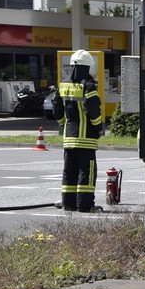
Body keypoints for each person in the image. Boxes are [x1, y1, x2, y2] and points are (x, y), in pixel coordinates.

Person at [53, 50, 105, 212]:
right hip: (86, 140)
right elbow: (94, 111)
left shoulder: (63, 85)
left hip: (69, 138)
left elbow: (56, 109)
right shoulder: (88, 87)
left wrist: (64, 124)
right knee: (86, 172)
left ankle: (68, 204)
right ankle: (85, 205)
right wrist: (99, 128)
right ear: (87, 67)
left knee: (69, 171)